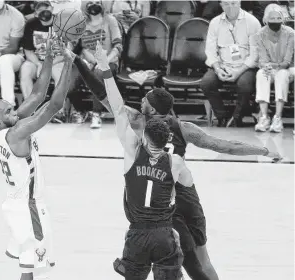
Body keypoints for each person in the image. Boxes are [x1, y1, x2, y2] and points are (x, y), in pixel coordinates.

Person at [72, 44, 282, 280]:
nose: (141, 102)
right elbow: (226, 146)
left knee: (167, 254)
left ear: (151, 109)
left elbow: (104, 96)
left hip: (160, 199)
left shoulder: (138, 122)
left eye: (144, 100)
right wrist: (263, 150)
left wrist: (79, 62)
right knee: (202, 261)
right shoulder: (185, 128)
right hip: (185, 192)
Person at [95, 40, 189, 280]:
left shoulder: (133, 152)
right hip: (164, 235)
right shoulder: (176, 161)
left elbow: (117, 109)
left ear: (144, 137)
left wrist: (105, 69)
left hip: (137, 235)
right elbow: (180, 191)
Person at [0, 35, 75, 280]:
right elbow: (54, 105)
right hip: (28, 206)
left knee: (27, 260)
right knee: (32, 266)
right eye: (9, 110)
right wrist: (68, 63)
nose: (15, 109)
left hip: (14, 204)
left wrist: (48, 57)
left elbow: (36, 95)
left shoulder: (3, 129)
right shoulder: (16, 132)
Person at [201, 0, 261, 128]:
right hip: (223, 65)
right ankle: (222, 117)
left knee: (244, 85)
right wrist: (217, 68)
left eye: (233, 3)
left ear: (239, 3)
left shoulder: (252, 22)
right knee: (206, 83)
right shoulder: (215, 22)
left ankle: (236, 117)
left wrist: (239, 71)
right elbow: (210, 50)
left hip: (246, 67)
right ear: (221, 5)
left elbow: (255, 54)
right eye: (226, 4)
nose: (230, 7)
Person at [20, 0, 81, 123]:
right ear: (36, 13)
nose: (44, 12)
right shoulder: (30, 24)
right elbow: (27, 50)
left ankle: (58, 111)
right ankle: (30, 109)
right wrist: (38, 64)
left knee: (60, 75)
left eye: (46, 8)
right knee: (25, 70)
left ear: (52, 9)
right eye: (40, 9)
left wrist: (48, 65)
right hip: (36, 60)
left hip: (57, 60)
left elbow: (68, 51)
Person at [72, 0, 122, 128]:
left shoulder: (110, 20)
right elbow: (81, 47)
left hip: (109, 61)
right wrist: (91, 61)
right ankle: (81, 110)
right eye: (90, 2)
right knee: (70, 78)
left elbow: (118, 46)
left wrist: (104, 61)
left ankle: (96, 113)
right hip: (89, 61)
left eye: (97, 1)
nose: (94, 4)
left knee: (98, 73)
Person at [254, 3, 294, 133]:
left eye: (278, 19)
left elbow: (287, 61)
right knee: (261, 74)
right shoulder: (260, 34)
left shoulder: (290, 33)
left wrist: (273, 66)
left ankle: (278, 117)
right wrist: (266, 66)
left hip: (288, 69)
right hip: (270, 68)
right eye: (271, 19)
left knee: (281, 75)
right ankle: (264, 117)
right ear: (266, 20)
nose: (275, 22)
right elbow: (262, 57)